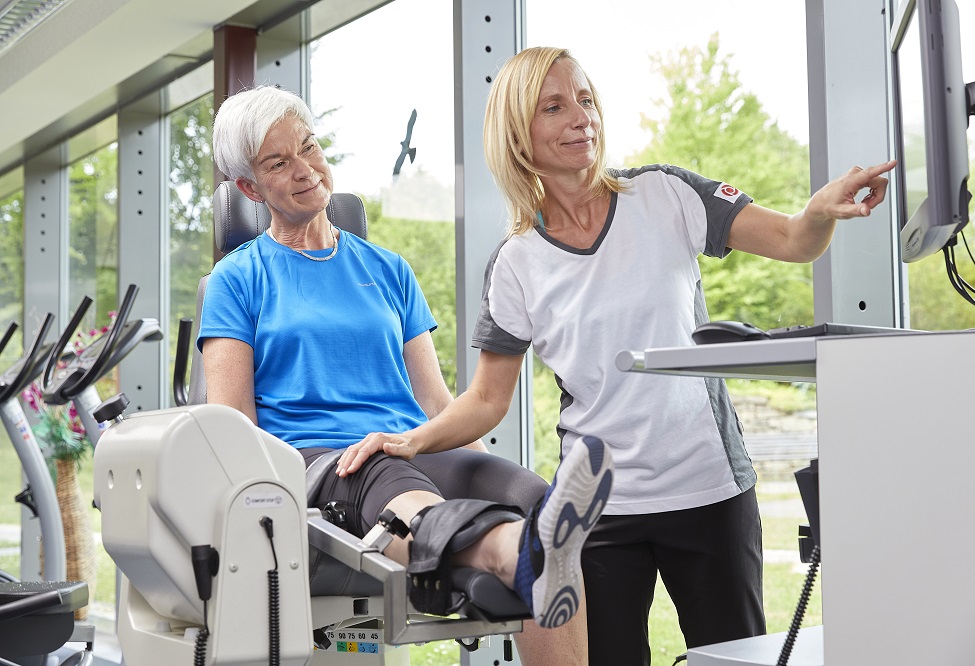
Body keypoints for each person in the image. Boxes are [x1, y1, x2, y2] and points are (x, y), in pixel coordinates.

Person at [336, 46, 896, 664]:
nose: (582, 117)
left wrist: (819, 211)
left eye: (586, 99)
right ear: (519, 135)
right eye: (555, 107)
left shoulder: (666, 194)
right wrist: (412, 440)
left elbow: (794, 240)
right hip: (597, 510)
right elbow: (487, 400)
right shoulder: (516, 263)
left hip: (709, 491)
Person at [197, 84, 614, 664]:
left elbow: (437, 403)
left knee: (528, 492)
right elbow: (234, 427)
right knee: (393, 476)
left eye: (309, 147)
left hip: (405, 444)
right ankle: (509, 552)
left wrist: (476, 453)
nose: (305, 169)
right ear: (249, 187)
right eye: (278, 162)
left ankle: (530, 541)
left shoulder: (388, 269)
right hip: (321, 463)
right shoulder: (237, 280)